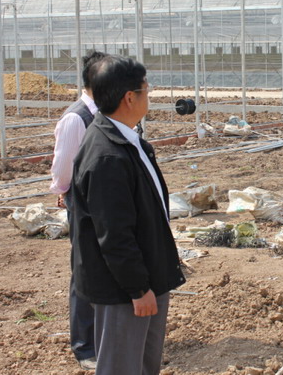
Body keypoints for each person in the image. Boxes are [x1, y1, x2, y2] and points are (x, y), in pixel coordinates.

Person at [71, 55, 185, 375]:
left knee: (143, 363)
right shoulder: (106, 155)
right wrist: (138, 289)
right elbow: (114, 234)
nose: (149, 96)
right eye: (146, 90)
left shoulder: (126, 140)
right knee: (122, 366)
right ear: (130, 98)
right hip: (123, 291)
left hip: (145, 277)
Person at [50, 49, 106, 371]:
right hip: (85, 205)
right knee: (86, 269)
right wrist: (64, 191)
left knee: (107, 265)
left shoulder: (107, 112)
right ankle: (85, 346)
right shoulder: (76, 118)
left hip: (105, 202)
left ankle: (104, 336)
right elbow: (63, 168)